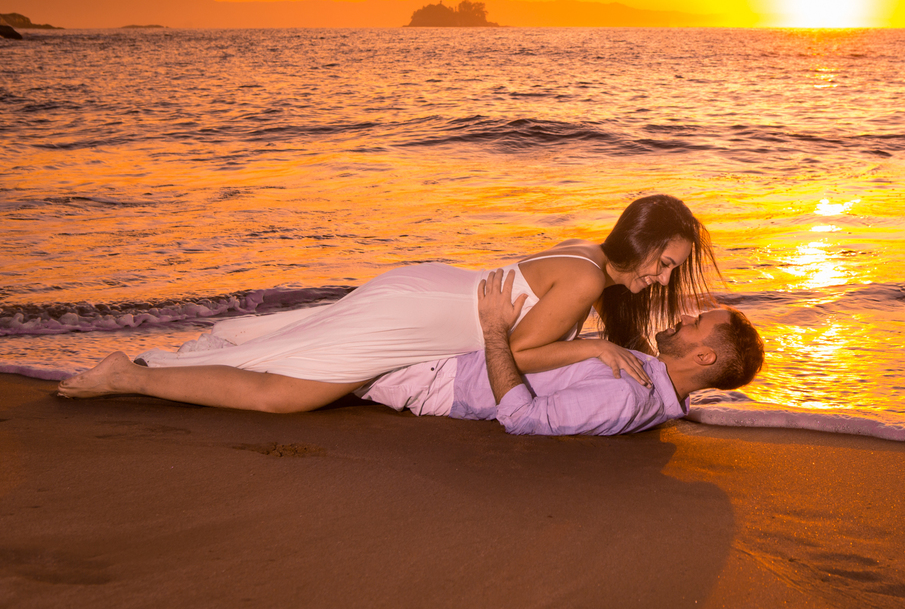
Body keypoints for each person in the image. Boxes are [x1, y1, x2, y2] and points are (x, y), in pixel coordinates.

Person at [58, 195, 720, 413]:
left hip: (426, 295)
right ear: (640, 243)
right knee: (281, 396)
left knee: (286, 362)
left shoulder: (589, 258)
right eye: (665, 263)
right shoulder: (584, 281)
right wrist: (596, 346)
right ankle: (127, 377)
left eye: (673, 271)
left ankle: (139, 371)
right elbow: (516, 352)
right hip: (415, 318)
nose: (664, 281)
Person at [363, 269, 765, 436]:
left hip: (438, 378)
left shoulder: (627, 395)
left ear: (704, 358)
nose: (684, 317)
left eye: (696, 323)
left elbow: (523, 419)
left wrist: (494, 331)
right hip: (454, 354)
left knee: (314, 358)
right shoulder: (650, 378)